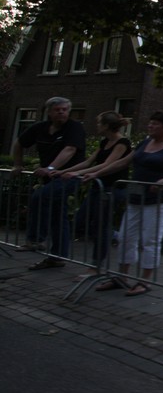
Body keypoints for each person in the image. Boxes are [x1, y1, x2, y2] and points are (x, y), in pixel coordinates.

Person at [84, 111, 163, 296]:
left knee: (150, 240)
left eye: (155, 123)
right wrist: (96, 174)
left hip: (159, 201)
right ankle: (121, 277)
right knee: (126, 237)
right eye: (150, 122)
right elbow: (123, 163)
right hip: (136, 198)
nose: (150, 126)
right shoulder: (144, 144)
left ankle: (145, 281)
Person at [11, 97, 86, 270]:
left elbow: (70, 149)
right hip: (50, 178)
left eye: (65, 110)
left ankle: (36, 239)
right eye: (57, 109)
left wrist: (51, 168)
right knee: (59, 216)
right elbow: (19, 143)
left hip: (68, 176)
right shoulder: (40, 128)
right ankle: (57, 257)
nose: (61, 112)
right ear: (49, 112)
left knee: (40, 196)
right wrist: (17, 164)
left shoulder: (74, 127)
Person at [59, 111, 132, 278]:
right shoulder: (104, 141)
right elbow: (88, 162)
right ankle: (114, 235)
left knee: (100, 227)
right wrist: (63, 171)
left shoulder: (122, 143)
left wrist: (79, 174)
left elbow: (108, 164)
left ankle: (96, 266)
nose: (97, 125)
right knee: (81, 221)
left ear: (106, 125)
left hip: (111, 189)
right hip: (97, 187)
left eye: (99, 123)